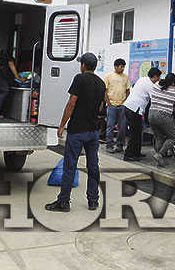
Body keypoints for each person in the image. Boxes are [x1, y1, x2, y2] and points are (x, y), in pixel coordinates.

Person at [45, 52, 106, 212]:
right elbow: (101, 106)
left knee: (70, 166)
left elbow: (72, 103)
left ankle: (63, 201)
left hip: (78, 130)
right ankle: (93, 201)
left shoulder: (79, 79)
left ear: (83, 65)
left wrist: (62, 125)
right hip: (93, 131)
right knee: (93, 166)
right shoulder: (101, 83)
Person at [122, 67, 162, 162]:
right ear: (155, 77)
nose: (159, 80)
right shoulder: (150, 85)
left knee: (138, 132)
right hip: (134, 109)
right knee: (135, 133)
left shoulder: (142, 79)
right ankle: (128, 155)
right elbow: (155, 98)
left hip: (128, 107)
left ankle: (136, 152)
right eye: (159, 77)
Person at [148, 73, 175, 166]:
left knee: (159, 137)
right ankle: (160, 154)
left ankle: (160, 160)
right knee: (172, 137)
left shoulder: (156, 85)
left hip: (151, 114)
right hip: (163, 116)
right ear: (173, 82)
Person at [104, 58, 131, 153]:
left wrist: (126, 101)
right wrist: (108, 102)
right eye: (121, 67)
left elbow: (128, 90)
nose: (122, 68)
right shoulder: (109, 76)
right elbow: (105, 91)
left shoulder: (126, 77)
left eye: (123, 67)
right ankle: (109, 145)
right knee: (110, 127)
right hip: (112, 105)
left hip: (122, 105)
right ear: (116, 67)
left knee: (122, 127)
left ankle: (120, 145)